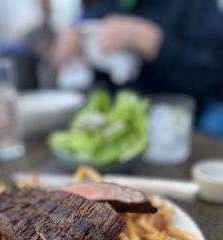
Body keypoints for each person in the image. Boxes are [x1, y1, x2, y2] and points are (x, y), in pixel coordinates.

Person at [54, 0, 223, 138]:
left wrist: (157, 45)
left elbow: (216, 77)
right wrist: (70, 58)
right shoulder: (106, 6)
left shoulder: (196, 5)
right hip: (113, 135)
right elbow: (93, 84)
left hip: (183, 133)